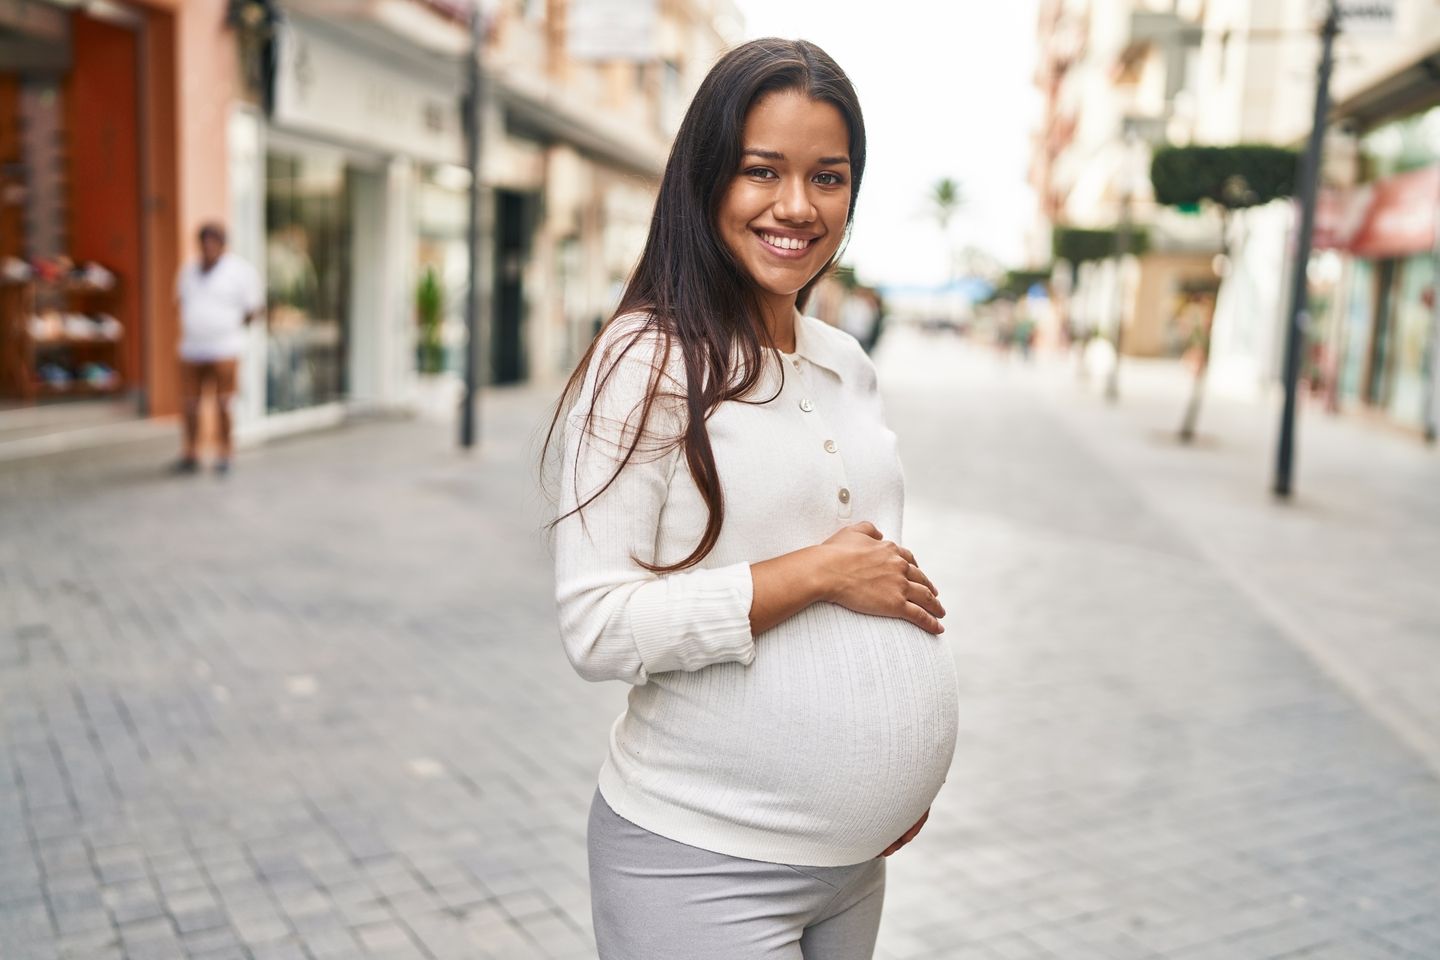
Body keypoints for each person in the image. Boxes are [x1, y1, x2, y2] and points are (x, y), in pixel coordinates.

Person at [544, 38, 959, 960]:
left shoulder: (846, 362)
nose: (797, 206)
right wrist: (816, 574)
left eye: (828, 177)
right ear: (706, 180)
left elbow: (865, 571)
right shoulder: (645, 362)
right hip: (700, 860)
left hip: (852, 864)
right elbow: (596, 627)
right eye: (761, 171)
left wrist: (889, 774)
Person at [172, 222, 263, 475]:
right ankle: (191, 452)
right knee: (190, 403)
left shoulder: (240, 272)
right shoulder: (189, 270)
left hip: (224, 348)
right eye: (204, 242)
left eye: (213, 242)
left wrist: (227, 326)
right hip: (192, 348)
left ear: (223, 245)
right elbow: (179, 302)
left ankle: (225, 452)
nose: (208, 247)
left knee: (224, 403)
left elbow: (253, 309)